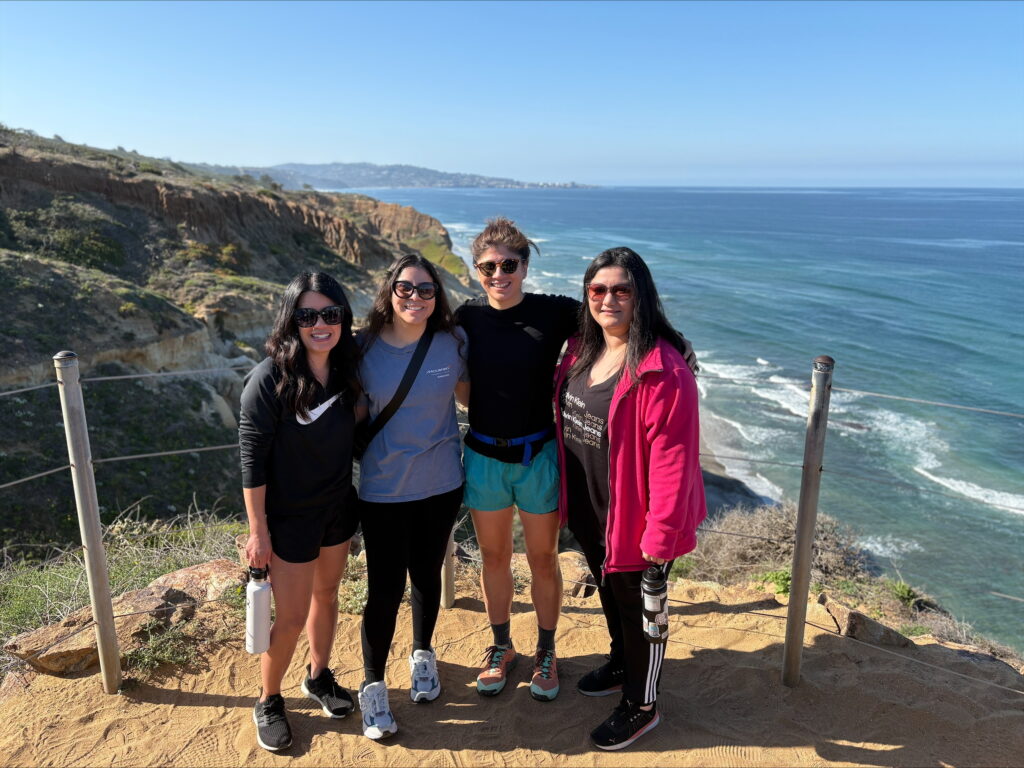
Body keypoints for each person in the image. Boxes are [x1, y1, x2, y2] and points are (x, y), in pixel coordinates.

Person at [554, 246, 706, 750]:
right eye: (598, 290)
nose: (609, 299)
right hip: (591, 510)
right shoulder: (581, 348)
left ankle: (642, 705)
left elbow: (673, 462)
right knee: (610, 594)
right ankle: (622, 663)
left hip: (636, 521)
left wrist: (660, 539)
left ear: (641, 296)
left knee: (642, 614)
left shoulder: (664, 370)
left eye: (622, 290)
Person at [454, 218, 579, 701]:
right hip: (483, 455)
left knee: (544, 558)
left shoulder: (554, 312)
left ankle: (547, 651)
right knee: (494, 557)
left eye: (509, 265)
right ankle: (502, 647)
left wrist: (674, 343)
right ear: (477, 269)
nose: (498, 274)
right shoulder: (467, 317)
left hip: (537, 456)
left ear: (525, 267)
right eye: (488, 266)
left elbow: (617, 317)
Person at [238, 271, 361, 753]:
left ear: (343, 318)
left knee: (326, 596)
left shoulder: (347, 369)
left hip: (338, 508)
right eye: (308, 315)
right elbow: (251, 460)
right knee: (289, 617)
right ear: (292, 320)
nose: (320, 324)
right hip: (290, 518)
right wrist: (258, 532)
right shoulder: (269, 379)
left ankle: (318, 676)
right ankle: (268, 699)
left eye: (330, 314)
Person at [354, 254, 470, 740]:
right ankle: (373, 685)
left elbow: (473, 397)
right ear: (390, 290)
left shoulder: (453, 341)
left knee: (426, 574)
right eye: (405, 288)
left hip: (441, 484)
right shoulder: (362, 347)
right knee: (383, 589)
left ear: (437, 296)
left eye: (426, 290)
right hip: (383, 488)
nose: (415, 298)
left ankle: (423, 654)